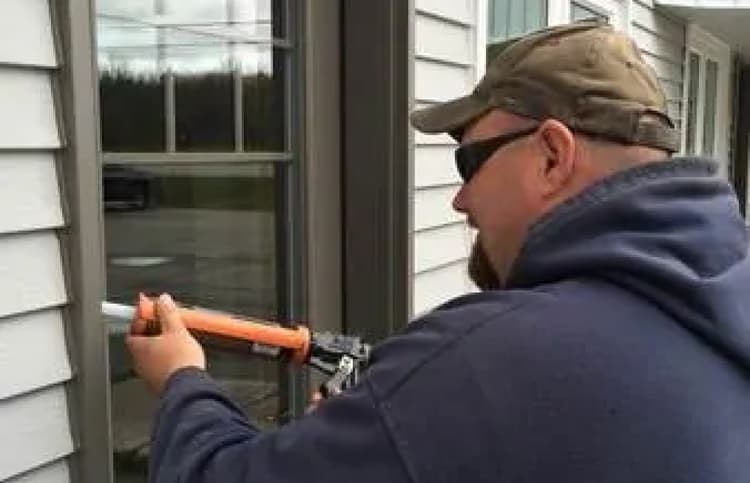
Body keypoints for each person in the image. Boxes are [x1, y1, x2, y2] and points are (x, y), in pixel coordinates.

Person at [127, 21, 750, 483]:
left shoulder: (498, 356)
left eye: (469, 160)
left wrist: (183, 378)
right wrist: (387, 430)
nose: (459, 200)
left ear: (553, 156)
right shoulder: (724, 298)